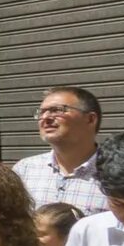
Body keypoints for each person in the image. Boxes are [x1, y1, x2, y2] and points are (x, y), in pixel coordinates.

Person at [16, 87, 105, 215]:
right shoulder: (25, 169)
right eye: (41, 112)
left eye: (57, 110)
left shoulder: (117, 173)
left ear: (90, 119)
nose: (45, 118)